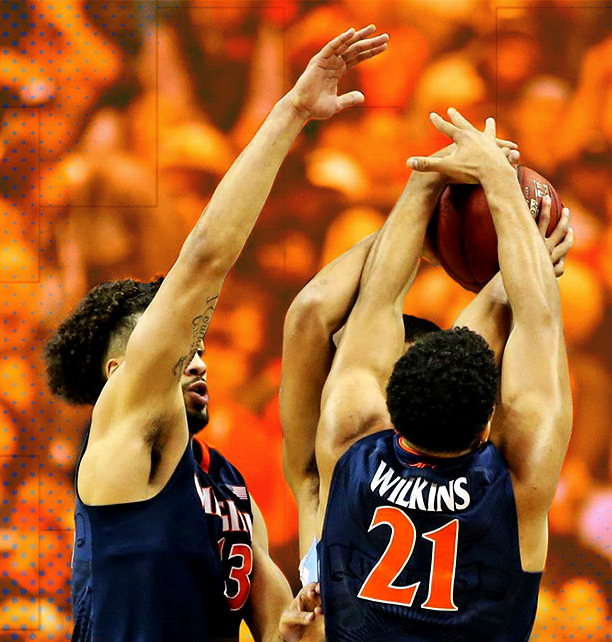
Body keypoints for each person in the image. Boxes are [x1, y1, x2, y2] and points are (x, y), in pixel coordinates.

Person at [42, 25, 389, 642]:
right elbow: (204, 260)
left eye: (199, 350)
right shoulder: (119, 437)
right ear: (118, 373)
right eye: (182, 353)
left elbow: (284, 626)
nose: (196, 361)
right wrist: (291, 113)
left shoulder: (226, 484)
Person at [302, 109, 573, 640]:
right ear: (486, 427)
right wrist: (497, 181)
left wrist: (429, 177)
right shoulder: (516, 488)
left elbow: (378, 298)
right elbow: (538, 319)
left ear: (392, 404)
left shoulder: (350, 440)